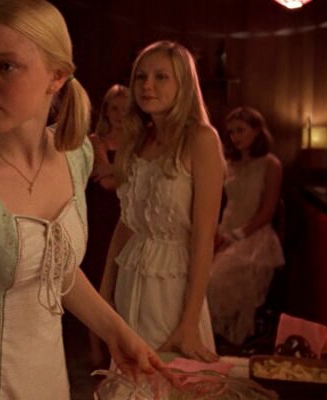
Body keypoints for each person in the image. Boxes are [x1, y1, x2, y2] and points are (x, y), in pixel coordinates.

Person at [0, 1, 168, 399]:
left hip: (45, 378)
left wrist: (116, 331)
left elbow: (55, 270)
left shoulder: (74, 156)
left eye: (6, 66)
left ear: (57, 76)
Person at [99, 40, 224, 363]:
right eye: (140, 77)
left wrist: (189, 324)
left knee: (171, 377)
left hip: (173, 285)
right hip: (132, 275)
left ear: (183, 83)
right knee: (130, 374)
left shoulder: (201, 139)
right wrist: (105, 289)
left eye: (161, 77)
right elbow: (128, 221)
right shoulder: (138, 139)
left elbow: (204, 237)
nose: (147, 85)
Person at [207, 106, 285, 346]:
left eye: (240, 130)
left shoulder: (270, 164)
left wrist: (236, 235)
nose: (235, 137)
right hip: (225, 231)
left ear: (257, 130)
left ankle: (224, 341)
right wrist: (216, 234)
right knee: (193, 275)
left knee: (214, 281)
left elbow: (267, 212)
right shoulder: (229, 163)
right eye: (231, 132)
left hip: (253, 236)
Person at [84, 84, 130, 368]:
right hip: (102, 216)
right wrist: (127, 172)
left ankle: (122, 346)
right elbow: (108, 184)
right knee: (97, 280)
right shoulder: (95, 140)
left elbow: (113, 175)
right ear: (106, 111)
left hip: (129, 215)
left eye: (125, 109)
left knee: (123, 281)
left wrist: (114, 170)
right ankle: (95, 350)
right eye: (114, 108)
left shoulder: (139, 140)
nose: (119, 114)